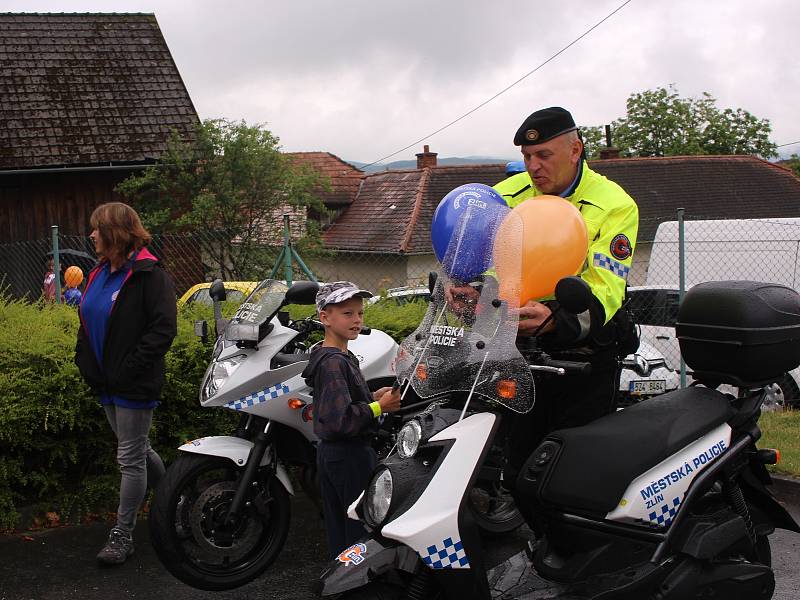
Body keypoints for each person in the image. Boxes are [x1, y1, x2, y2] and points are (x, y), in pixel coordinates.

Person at [492, 106, 639, 479]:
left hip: (582, 353)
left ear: (575, 151)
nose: (533, 166)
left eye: (544, 155)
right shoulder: (505, 196)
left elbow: (606, 287)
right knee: (518, 463)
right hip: (518, 348)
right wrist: (462, 287)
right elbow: (484, 259)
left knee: (573, 466)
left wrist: (556, 318)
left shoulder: (614, 205)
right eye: (526, 157)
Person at [74, 202, 177, 565]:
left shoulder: (151, 276)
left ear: (115, 233)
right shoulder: (98, 273)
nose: (91, 235)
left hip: (133, 384)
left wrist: (127, 369)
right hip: (105, 382)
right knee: (136, 448)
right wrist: (84, 361)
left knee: (130, 458)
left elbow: (163, 331)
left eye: (96, 229)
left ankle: (122, 535)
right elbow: (86, 320)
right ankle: (172, 499)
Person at [301, 281, 401, 559]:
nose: (357, 320)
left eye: (360, 313)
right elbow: (339, 421)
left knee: (340, 525)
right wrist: (379, 407)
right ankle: (357, 585)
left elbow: (340, 402)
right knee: (358, 529)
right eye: (347, 313)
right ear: (324, 317)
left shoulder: (338, 355)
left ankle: (341, 582)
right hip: (349, 455)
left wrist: (371, 396)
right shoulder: (334, 362)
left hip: (332, 455)